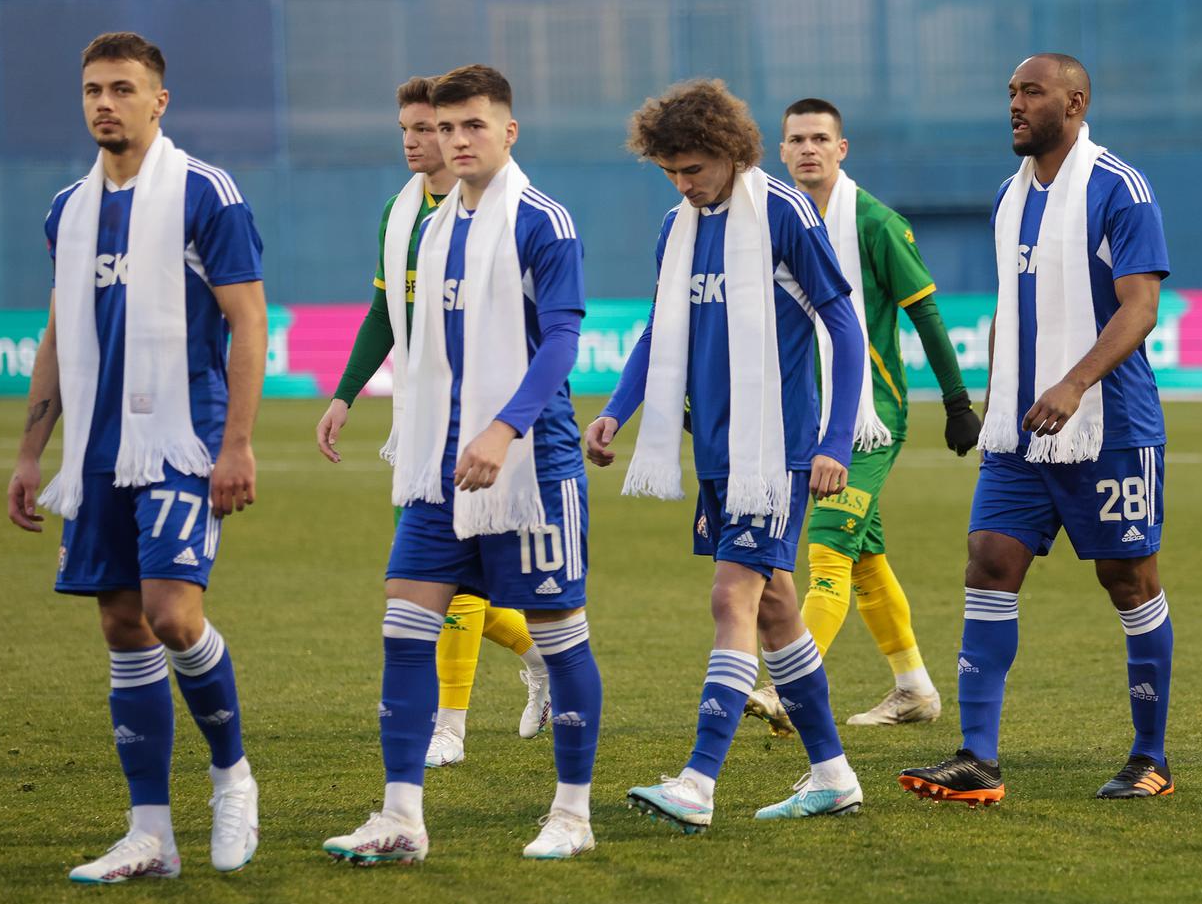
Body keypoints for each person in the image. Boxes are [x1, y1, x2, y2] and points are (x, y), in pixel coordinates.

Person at [322, 65, 602, 863]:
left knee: (560, 640)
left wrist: (503, 429)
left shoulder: (542, 221)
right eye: (444, 128)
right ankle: (400, 818)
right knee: (404, 629)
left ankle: (572, 815)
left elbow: (562, 339)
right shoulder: (430, 228)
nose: (454, 140)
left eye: (472, 125)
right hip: (437, 468)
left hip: (531, 466)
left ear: (508, 131)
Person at [7, 31, 267, 881]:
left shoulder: (205, 193)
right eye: (93, 89)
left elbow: (247, 320)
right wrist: (30, 453)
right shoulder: (68, 209)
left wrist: (236, 443)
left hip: (182, 434)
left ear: (160, 101)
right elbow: (59, 332)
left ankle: (232, 778)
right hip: (98, 444)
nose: (104, 103)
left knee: (171, 615)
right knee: (121, 624)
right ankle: (150, 834)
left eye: (122, 88)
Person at [585, 78, 866, 832]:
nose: (683, 183)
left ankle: (698, 782)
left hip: (774, 453)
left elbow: (843, 324)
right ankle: (833, 775)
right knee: (775, 609)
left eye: (694, 168)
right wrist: (615, 410)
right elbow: (658, 330)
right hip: (715, 450)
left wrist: (834, 441)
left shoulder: (783, 212)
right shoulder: (675, 229)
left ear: (730, 152)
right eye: (670, 171)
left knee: (731, 598)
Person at [899, 53, 1176, 806]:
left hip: (1110, 427)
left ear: (1075, 103)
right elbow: (1009, 311)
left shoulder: (1120, 189)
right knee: (988, 562)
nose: (1015, 104)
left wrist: (1073, 382)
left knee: (1128, 581)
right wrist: (995, 403)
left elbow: (1140, 307)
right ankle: (977, 759)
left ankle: (1150, 758)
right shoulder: (1008, 195)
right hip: (1021, 432)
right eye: (1011, 93)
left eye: (1031, 92)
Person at [313, 75, 550, 768]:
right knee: (430, 582)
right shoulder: (400, 212)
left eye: (430, 129)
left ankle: (449, 726)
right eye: (410, 131)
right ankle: (541, 658)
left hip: (489, 424)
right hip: (420, 427)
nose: (417, 142)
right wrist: (344, 395)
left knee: (458, 578)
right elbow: (384, 311)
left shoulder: (504, 215)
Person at [741, 97, 980, 734]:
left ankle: (788, 688)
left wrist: (957, 402)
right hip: (803, 418)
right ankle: (914, 688)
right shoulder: (771, 221)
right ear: (781, 150)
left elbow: (924, 312)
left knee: (826, 550)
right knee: (864, 557)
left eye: (820, 138)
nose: (808, 149)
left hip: (868, 420)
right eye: (797, 139)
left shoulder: (876, 223)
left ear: (841, 149)